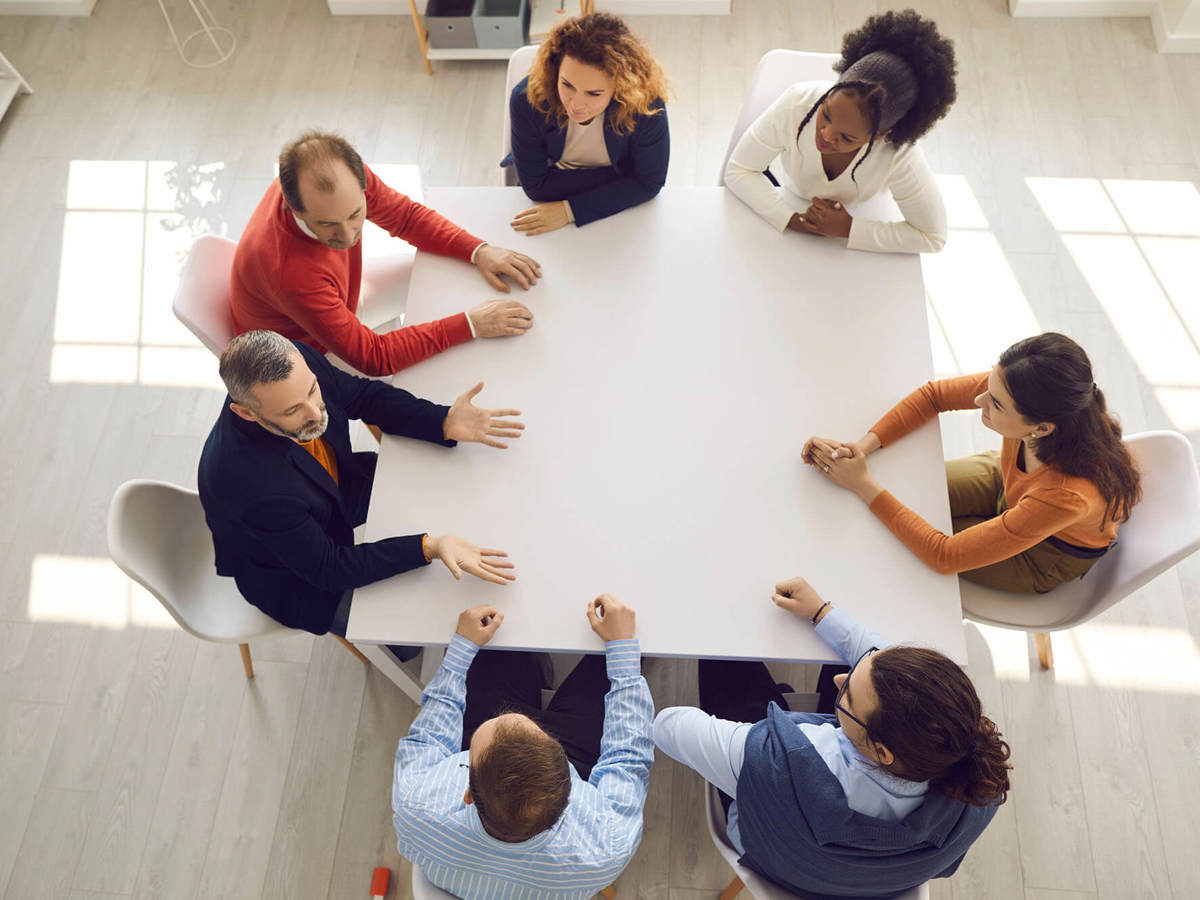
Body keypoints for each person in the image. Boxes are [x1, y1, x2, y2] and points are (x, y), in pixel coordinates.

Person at [655, 576, 1010, 898]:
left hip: (770, 842)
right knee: (849, 674)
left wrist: (744, 736)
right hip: (866, 878)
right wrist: (821, 613)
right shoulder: (978, 783)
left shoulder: (774, 759)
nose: (841, 681)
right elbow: (886, 670)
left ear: (882, 750)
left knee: (725, 663)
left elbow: (669, 726)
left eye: (849, 696)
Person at [198, 330, 523, 641]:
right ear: (246, 413)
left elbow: (362, 397)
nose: (316, 413)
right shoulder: (250, 486)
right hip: (296, 581)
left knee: (443, 483)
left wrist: (442, 420)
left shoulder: (295, 368)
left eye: (313, 391)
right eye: (293, 410)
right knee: (416, 626)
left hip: (335, 486)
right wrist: (428, 547)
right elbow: (330, 568)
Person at [803, 333, 1142, 593]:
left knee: (897, 551)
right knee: (904, 501)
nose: (980, 399)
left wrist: (861, 482)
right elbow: (934, 396)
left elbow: (944, 556)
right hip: (1009, 486)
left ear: (1040, 428)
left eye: (994, 403)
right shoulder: (1021, 389)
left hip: (1044, 553)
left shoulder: (1067, 494)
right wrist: (862, 448)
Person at [392, 595, 653, 899]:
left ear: (467, 793)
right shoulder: (607, 843)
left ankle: (533, 664)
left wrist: (460, 651)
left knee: (496, 650)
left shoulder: (416, 800)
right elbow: (627, 757)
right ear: (569, 792)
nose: (513, 717)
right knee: (621, 653)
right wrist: (622, 652)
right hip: (577, 757)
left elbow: (430, 739)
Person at [232, 130, 542, 377]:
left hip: (337, 298)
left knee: (444, 273)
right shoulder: (289, 273)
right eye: (328, 225)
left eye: (356, 214)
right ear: (292, 206)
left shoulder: (340, 178)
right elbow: (374, 358)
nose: (349, 235)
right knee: (414, 397)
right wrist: (472, 324)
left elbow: (406, 218)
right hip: (303, 352)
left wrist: (479, 251)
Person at [724, 9, 956, 254]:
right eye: (825, 113)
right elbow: (739, 170)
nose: (826, 134)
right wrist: (794, 220)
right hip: (791, 208)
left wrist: (849, 229)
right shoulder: (796, 103)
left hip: (865, 214)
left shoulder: (899, 155)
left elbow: (933, 237)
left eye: (847, 137)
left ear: (880, 135)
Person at [505, 12, 669, 235]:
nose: (576, 105)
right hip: (552, 203)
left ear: (620, 87)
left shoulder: (645, 105)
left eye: (594, 93)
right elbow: (536, 188)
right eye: (567, 85)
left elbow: (650, 183)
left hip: (612, 211)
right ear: (555, 71)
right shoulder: (527, 98)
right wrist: (625, 179)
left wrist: (569, 210)